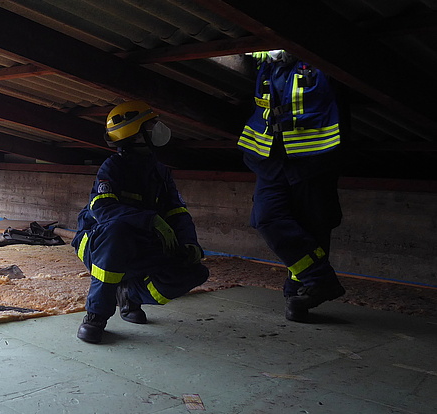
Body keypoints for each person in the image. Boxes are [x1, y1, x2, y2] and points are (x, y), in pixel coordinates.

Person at [73, 101, 209, 344]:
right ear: (135, 135)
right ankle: (96, 316)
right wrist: (151, 220)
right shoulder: (113, 167)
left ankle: (128, 294)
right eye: (151, 125)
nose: (158, 128)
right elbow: (104, 209)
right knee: (116, 233)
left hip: (140, 245)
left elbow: (178, 212)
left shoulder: (159, 170)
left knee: (194, 271)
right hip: (101, 245)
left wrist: (189, 244)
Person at [239, 50, 345, 322]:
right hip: (270, 159)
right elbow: (251, 46)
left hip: (313, 159)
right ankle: (320, 279)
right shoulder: (267, 60)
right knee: (266, 218)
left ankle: (299, 295)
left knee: (312, 225)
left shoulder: (319, 60)